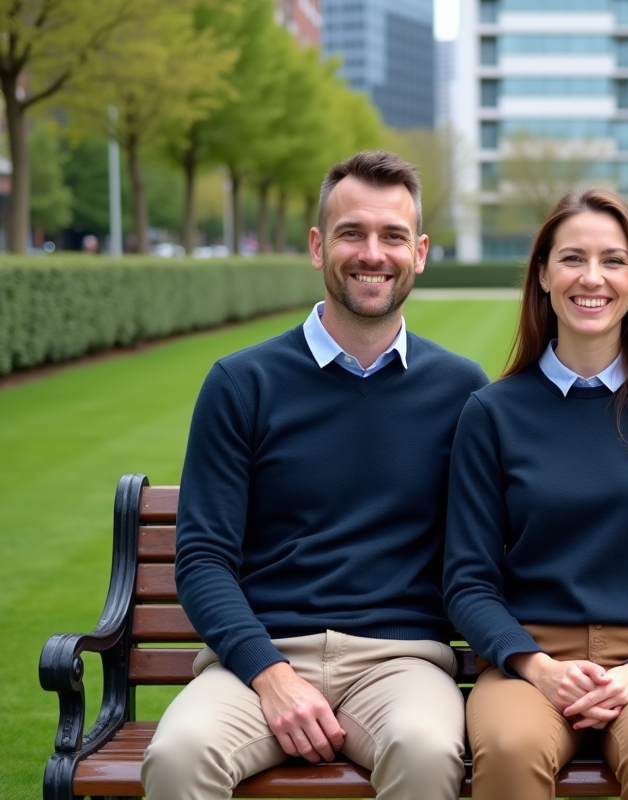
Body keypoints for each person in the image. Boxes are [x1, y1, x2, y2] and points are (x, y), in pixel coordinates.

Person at [141, 151, 489, 800]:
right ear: (316, 246)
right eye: (351, 232)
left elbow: (480, 553)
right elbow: (203, 559)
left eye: (391, 237)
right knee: (179, 755)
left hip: (400, 663)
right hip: (256, 659)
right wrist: (270, 675)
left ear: (418, 253)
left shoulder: (462, 391)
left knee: (425, 749)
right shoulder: (241, 383)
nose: (371, 253)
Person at [444, 188, 628, 800]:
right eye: (573, 258)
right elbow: (468, 581)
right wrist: (536, 667)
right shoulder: (492, 413)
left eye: (614, 260)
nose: (592, 278)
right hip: (526, 662)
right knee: (508, 749)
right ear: (544, 276)